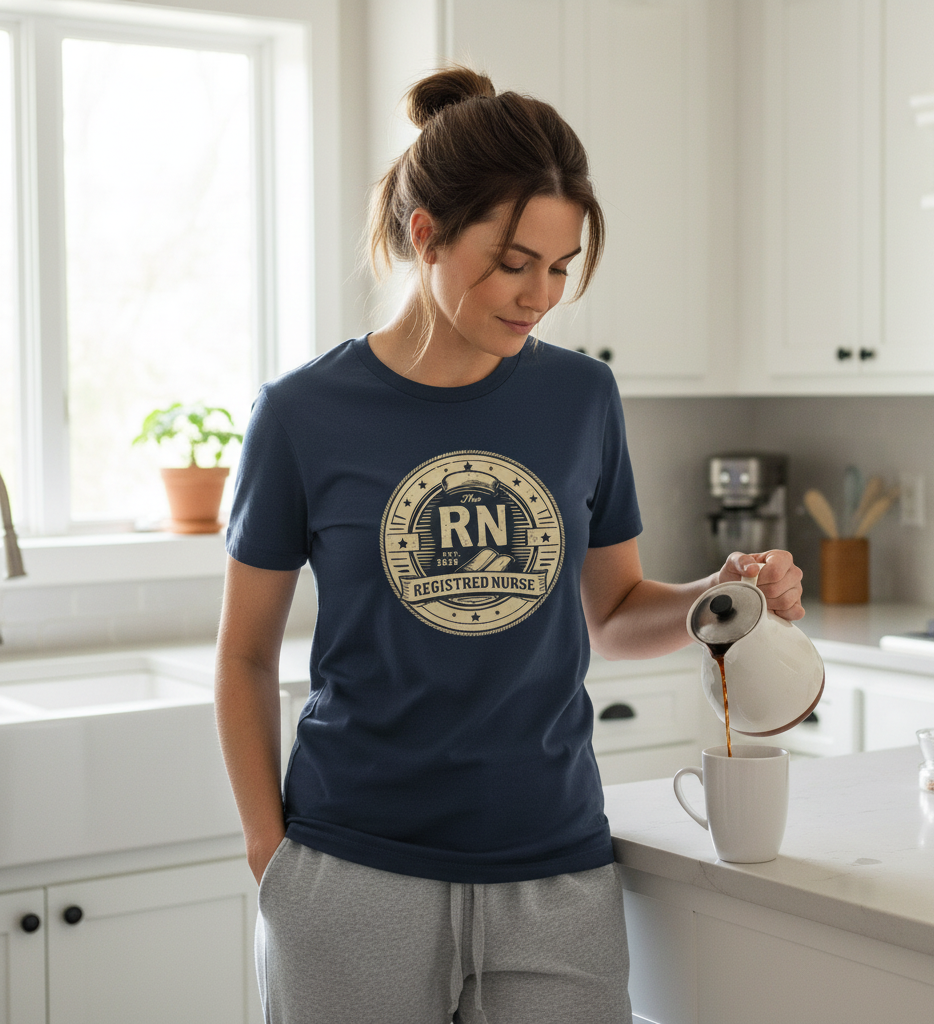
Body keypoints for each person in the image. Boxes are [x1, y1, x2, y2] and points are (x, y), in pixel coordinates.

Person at [214, 65, 804, 1024]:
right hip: (353, 870)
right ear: (425, 236)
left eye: (562, 267)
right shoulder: (302, 415)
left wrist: (720, 593)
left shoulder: (581, 398)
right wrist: (266, 850)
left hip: (554, 868)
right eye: (514, 262)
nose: (541, 295)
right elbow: (242, 656)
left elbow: (612, 615)